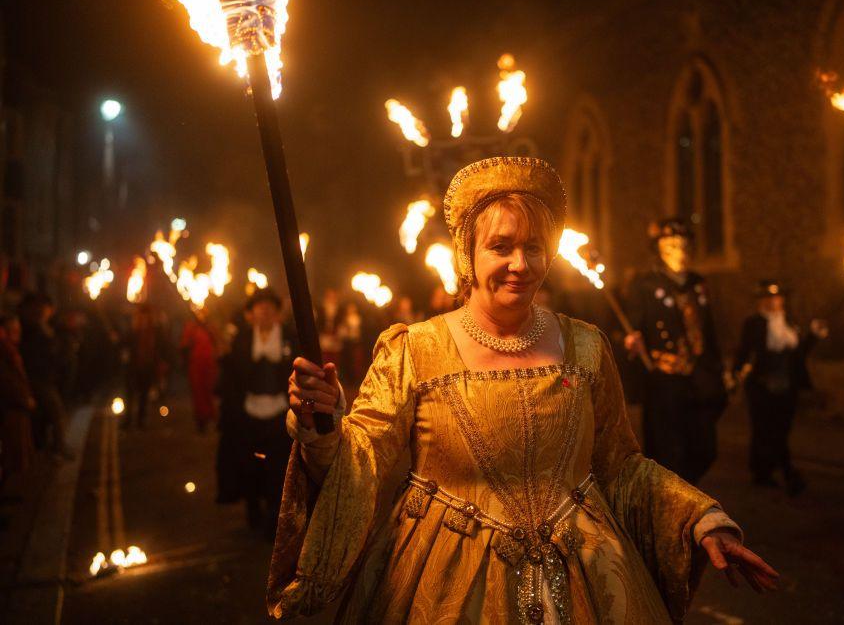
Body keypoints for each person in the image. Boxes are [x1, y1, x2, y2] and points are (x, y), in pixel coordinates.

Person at [269, 157, 778, 622]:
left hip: (587, 575)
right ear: (467, 254)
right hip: (441, 579)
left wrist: (701, 517)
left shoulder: (586, 346)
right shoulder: (413, 349)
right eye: (501, 246)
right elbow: (362, 462)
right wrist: (324, 420)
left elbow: (621, 466)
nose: (520, 263)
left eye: (534, 247)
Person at [623, 218, 727, 484]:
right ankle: (673, 505)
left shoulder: (698, 284)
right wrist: (631, 340)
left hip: (700, 380)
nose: (678, 250)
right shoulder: (645, 285)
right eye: (670, 244)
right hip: (664, 380)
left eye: (683, 244)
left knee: (705, 449)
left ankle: (683, 490)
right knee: (668, 453)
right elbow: (630, 326)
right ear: (659, 249)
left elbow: (710, 330)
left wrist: (720, 370)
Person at [734, 281, 827, 496]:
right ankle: (780, 472)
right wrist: (735, 373)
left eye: (777, 298)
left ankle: (769, 471)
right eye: (768, 298)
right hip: (762, 385)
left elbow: (799, 354)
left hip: (788, 385)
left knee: (781, 430)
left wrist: (813, 336)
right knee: (764, 429)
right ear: (761, 301)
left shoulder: (789, 323)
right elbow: (744, 351)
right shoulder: (754, 323)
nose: (774, 302)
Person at [217, 288, 296, 538]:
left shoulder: (288, 338)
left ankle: (274, 516)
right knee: (250, 466)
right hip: (248, 415)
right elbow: (231, 377)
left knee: (277, 468)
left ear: (277, 314)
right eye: (260, 309)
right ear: (251, 314)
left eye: (270, 309)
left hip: (280, 414)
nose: (265, 313)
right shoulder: (241, 339)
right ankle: (253, 509)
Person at [18, 293, 71, 458]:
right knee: (57, 414)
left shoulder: (50, 328)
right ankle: (58, 448)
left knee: (47, 415)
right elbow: (37, 354)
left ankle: (50, 447)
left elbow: (58, 352)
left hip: (49, 378)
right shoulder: (32, 329)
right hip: (38, 379)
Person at [124, 303, 169, 430]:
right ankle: (128, 419)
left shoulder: (155, 330)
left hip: (147, 366)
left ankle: (141, 419)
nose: (143, 318)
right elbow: (125, 343)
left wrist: (163, 361)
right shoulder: (133, 330)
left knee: (144, 394)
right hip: (133, 366)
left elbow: (162, 346)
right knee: (130, 394)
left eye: (145, 316)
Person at [0, 313, 35, 477]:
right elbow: (7, 380)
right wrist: (23, 399)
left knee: (15, 452)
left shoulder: (11, 349)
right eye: (13, 330)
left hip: (17, 406)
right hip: (11, 407)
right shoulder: (4, 350)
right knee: (10, 450)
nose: (17, 333)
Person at [180, 307, 219, 433]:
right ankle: (201, 420)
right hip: (196, 365)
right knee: (198, 393)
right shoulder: (191, 327)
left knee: (209, 392)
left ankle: (210, 417)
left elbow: (217, 343)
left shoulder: (211, 327)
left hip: (209, 365)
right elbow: (184, 346)